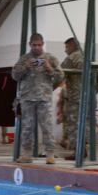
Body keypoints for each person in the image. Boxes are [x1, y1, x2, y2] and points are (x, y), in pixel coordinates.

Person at [11, 33, 64, 164]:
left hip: (44, 98)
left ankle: (50, 154)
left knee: (47, 127)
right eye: (34, 45)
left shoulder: (49, 58)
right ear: (30, 44)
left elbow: (60, 76)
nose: (36, 47)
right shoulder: (24, 59)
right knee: (27, 127)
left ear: (43, 44)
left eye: (39, 45)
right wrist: (25, 67)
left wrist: (49, 69)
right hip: (27, 98)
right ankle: (26, 154)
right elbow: (14, 76)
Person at [60, 37, 98, 160]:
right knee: (88, 124)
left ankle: (77, 152)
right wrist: (93, 93)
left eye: (67, 47)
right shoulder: (89, 57)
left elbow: (60, 74)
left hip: (75, 99)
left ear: (73, 46)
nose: (65, 50)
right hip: (90, 98)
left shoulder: (71, 58)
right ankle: (86, 149)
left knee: (74, 125)